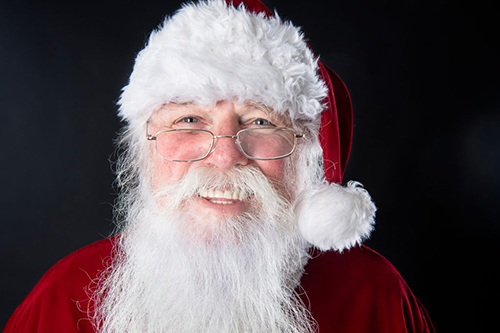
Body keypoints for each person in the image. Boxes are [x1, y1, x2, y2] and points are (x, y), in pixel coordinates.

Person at [3, 0, 435, 332]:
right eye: (189, 120)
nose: (227, 156)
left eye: (261, 121)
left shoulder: (375, 295)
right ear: (144, 147)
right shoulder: (66, 300)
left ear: (304, 151)